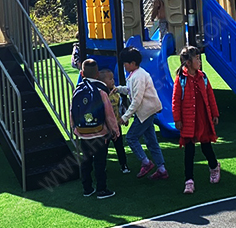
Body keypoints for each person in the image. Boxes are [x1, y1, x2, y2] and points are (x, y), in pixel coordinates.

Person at [172, 46, 221, 194]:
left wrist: (214, 114)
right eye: (197, 59)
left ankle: (214, 166)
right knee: (189, 151)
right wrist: (177, 119)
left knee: (206, 147)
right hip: (188, 120)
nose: (199, 61)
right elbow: (176, 101)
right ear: (188, 63)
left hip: (202, 118)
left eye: (199, 58)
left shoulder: (203, 77)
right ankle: (189, 180)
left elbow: (210, 96)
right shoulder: (181, 79)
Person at [116, 47, 168, 180]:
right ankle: (161, 169)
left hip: (145, 112)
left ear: (133, 63)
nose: (124, 66)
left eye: (125, 63)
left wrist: (125, 116)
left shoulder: (137, 77)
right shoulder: (136, 74)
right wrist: (118, 89)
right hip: (148, 111)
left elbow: (137, 100)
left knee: (131, 137)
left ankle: (146, 162)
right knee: (151, 140)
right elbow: (130, 90)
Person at [71, 59, 119, 199]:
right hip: (100, 133)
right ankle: (101, 190)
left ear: (82, 73)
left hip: (84, 133)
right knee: (100, 162)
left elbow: (72, 111)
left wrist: (75, 128)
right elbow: (109, 114)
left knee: (86, 161)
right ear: (97, 74)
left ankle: (87, 188)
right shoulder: (101, 91)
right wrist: (114, 130)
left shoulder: (77, 90)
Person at [99, 69, 130, 174]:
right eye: (110, 79)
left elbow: (120, 106)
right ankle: (102, 166)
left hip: (116, 126)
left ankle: (124, 165)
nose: (113, 81)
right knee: (103, 148)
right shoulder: (101, 94)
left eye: (113, 78)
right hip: (105, 128)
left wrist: (124, 118)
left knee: (119, 146)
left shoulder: (116, 93)